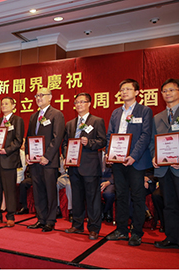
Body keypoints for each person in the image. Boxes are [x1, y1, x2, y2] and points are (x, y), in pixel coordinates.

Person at [106, 78, 153, 246]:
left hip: (136, 161)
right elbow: (110, 134)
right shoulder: (116, 113)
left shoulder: (144, 111)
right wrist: (108, 153)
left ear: (137, 92)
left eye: (128, 89)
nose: (124, 92)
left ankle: (137, 232)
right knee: (121, 195)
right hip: (118, 161)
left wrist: (133, 156)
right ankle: (121, 230)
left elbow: (145, 135)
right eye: (122, 89)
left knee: (138, 196)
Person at [62, 93, 106, 240]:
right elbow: (65, 143)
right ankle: (77, 224)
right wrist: (65, 156)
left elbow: (102, 141)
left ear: (89, 104)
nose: (79, 105)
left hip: (90, 166)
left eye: (82, 102)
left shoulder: (97, 121)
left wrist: (90, 143)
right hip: (74, 166)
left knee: (92, 198)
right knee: (77, 197)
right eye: (76, 102)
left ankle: (94, 228)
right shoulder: (69, 124)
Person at [25, 88, 64, 232]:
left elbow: (57, 137)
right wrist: (28, 154)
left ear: (50, 97)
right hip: (35, 162)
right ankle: (40, 219)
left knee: (50, 191)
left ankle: (50, 221)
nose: (39, 98)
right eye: (36, 95)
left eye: (42, 95)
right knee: (38, 191)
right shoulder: (33, 116)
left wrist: (47, 156)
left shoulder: (56, 114)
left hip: (48, 161)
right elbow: (29, 137)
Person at [0, 97, 24, 228]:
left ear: (14, 106)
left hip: (9, 160)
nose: (3, 106)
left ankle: (10, 216)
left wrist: (6, 150)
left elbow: (18, 141)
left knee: (9, 190)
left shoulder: (17, 120)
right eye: (2, 104)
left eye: (6, 103)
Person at [151, 78, 179, 249]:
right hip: (164, 169)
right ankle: (172, 237)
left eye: (171, 90)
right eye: (164, 91)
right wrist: (155, 156)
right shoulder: (157, 117)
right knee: (169, 205)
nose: (168, 93)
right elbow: (153, 142)